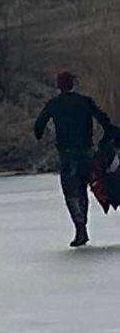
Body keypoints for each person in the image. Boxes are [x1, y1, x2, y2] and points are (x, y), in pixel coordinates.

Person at [34, 71, 114, 247]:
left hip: (67, 156)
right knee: (93, 188)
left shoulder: (54, 104)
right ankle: (83, 228)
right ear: (73, 84)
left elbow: (38, 127)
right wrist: (109, 137)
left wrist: (42, 134)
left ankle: (80, 228)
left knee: (72, 192)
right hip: (87, 153)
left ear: (59, 86)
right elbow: (104, 120)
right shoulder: (84, 102)